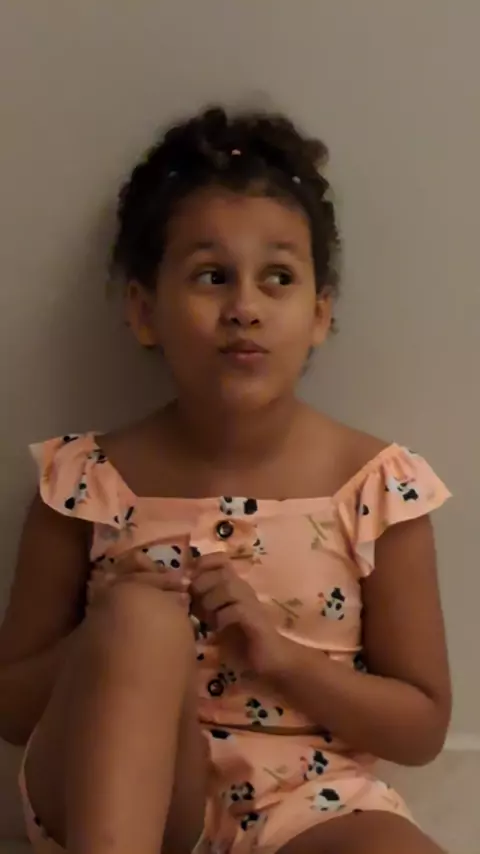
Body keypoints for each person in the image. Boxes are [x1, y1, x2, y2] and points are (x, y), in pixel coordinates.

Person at [0, 107, 452, 854]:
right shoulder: (85, 482)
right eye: (212, 277)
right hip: (116, 794)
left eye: (278, 279)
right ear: (145, 310)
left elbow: (421, 728)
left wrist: (284, 658)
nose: (244, 308)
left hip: (309, 800)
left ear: (318, 314)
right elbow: (14, 708)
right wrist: (102, 633)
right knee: (140, 617)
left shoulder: (377, 487)